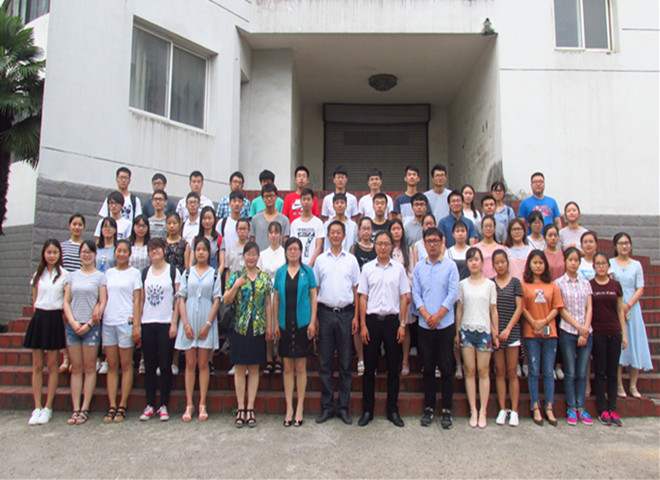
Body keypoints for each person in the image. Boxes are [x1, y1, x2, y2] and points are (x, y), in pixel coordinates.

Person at [358, 231, 410, 427]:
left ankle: (392, 410)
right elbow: (363, 297)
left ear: (391, 247)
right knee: (369, 369)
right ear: (374, 245)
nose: (382, 247)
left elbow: (404, 297)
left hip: (392, 322)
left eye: (386, 244)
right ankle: (367, 410)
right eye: (379, 243)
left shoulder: (398, 269)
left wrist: (402, 324)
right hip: (372, 322)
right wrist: (363, 325)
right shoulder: (367, 268)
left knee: (393, 369)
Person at [412, 228, 460, 429]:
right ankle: (429, 407)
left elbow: (453, 293)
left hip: (445, 325)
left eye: (435, 241)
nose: (432, 244)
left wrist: (439, 315)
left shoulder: (450, 266)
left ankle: (446, 409)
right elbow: (416, 293)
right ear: (423, 243)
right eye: (429, 241)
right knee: (428, 368)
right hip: (425, 325)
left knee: (447, 368)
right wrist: (425, 314)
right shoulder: (419, 267)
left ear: (442, 243)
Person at [313, 221, 360, 425]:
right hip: (325, 313)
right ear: (328, 235)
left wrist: (356, 317)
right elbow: (314, 290)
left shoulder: (351, 260)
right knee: (324, 362)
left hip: (346, 315)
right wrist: (315, 318)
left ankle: (343, 407)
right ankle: (327, 407)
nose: (335, 236)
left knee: (345, 363)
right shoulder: (320, 260)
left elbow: (357, 289)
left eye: (338, 232)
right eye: (332, 232)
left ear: (344, 235)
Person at [223, 242, 273, 428]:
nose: (251, 257)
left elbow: (267, 303)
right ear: (243, 257)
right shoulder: (236, 276)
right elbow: (226, 300)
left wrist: (269, 327)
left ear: (258, 257)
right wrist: (236, 286)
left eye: (254, 254)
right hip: (240, 327)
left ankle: (250, 407)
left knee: (254, 368)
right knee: (240, 368)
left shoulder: (264, 278)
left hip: (258, 327)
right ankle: (240, 407)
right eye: (248, 254)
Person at [174, 238, 222, 422]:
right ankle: (189, 404)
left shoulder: (214, 274)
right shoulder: (187, 273)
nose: (201, 252)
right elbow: (181, 298)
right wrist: (185, 324)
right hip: (189, 320)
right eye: (198, 249)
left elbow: (216, 300)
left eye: (204, 249)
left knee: (203, 364)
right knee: (190, 363)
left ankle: (202, 403)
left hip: (206, 320)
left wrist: (208, 324)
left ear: (209, 253)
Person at [24, 239, 70, 425]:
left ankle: (48, 407)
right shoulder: (38, 274)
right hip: (39, 319)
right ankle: (37, 407)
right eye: (49, 252)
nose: (52, 256)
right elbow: (35, 300)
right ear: (44, 254)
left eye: (55, 252)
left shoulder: (65, 275)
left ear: (59, 254)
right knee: (37, 365)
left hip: (54, 319)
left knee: (52, 365)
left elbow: (66, 300)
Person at [273, 238, 318, 426]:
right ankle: (289, 408)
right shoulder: (280, 272)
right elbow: (276, 299)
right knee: (287, 368)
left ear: (301, 252)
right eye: (290, 249)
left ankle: (299, 407)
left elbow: (313, 297)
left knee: (300, 368)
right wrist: (275, 323)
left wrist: (312, 322)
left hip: (303, 324)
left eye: (296, 249)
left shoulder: (307, 272)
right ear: (285, 252)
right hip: (285, 324)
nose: (293, 252)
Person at [62, 240, 106, 425]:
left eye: (90, 252)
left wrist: (89, 324)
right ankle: (76, 408)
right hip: (73, 326)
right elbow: (66, 301)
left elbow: (102, 301)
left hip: (91, 328)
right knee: (76, 368)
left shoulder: (100, 277)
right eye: (84, 252)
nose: (86, 255)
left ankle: (85, 408)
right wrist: (72, 322)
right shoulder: (72, 276)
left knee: (89, 368)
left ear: (95, 255)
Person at [455, 247, 499, 428]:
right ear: (467, 263)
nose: (474, 263)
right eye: (470, 260)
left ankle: (483, 411)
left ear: (482, 262)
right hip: (466, 330)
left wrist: (495, 332)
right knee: (470, 371)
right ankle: (473, 409)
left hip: (484, 331)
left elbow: (493, 310)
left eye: (476, 259)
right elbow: (459, 309)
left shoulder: (490, 285)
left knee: (483, 371)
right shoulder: (462, 284)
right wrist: (457, 331)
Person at [139, 239, 181, 422]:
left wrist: (174, 323)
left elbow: (178, 299)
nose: (154, 252)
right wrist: (138, 323)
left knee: (165, 365)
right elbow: (141, 299)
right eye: (151, 249)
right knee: (149, 366)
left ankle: (163, 404)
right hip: (147, 322)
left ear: (164, 250)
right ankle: (150, 404)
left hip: (165, 322)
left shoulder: (173, 272)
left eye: (157, 248)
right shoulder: (145, 273)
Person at [521, 250, 564, 426]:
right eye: (535, 263)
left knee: (548, 371)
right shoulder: (524, 285)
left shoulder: (552, 285)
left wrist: (544, 321)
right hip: (531, 333)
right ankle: (535, 405)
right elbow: (522, 307)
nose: (538, 266)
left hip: (549, 332)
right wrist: (533, 322)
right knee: (533, 369)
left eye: (541, 263)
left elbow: (557, 307)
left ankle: (549, 406)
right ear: (529, 265)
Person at [102, 239, 142, 423]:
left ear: (129, 254)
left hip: (126, 322)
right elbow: (103, 297)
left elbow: (137, 300)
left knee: (126, 365)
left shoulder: (135, 274)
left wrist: (136, 325)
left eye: (125, 251)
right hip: (108, 322)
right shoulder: (108, 273)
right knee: (112, 365)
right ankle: (112, 405)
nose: (121, 254)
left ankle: (123, 404)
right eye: (118, 251)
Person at [610, 233, 653, 397]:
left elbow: (640, 288)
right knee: (619, 344)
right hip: (615, 306)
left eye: (627, 243)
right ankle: (619, 385)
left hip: (632, 308)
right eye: (621, 243)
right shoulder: (610, 263)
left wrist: (628, 305)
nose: (624, 246)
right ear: (615, 246)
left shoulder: (636, 265)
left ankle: (633, 385)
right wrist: (620, 305)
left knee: (635, 343)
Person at [555, 247, 593, 426]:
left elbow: (589, 308)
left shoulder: (586, 283)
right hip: (568, 331)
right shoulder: (559, 283)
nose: (573, 263)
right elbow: (561, 309)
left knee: (582, 372)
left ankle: (581, 408)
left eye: (576, 260)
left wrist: (585, 329)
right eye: (570, 260)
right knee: (570, 372)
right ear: (565, 262)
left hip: (586, 332)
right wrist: (578, 327)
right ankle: (571, 407)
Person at [591, 252, 628, 426]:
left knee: (613, 373)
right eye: (598, 264)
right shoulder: (590, 285)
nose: (601, 266)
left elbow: (620, 310)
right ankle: (602, 410)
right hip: (598, 333)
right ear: (593, 267)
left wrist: (624, 334)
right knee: (600, 372)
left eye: (604, 263)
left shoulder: (616, 285)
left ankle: (612, 408)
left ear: (608, 266)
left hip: (615, 332)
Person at [492, 249, 523, 427]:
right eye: (497, 263)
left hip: (512, 333)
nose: (500, 265)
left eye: (503, 262)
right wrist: (496, 331)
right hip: (496, 333)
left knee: (512, 372)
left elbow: (519, 308)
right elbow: (490, 308)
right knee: (500, 371)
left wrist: (508, 329)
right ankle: (502, 409)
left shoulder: (515, 283)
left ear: (507, 263)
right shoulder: (490, 283)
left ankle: (515, 410)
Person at [257, 221, 286, 376]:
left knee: (279, 324)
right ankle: (269, 359)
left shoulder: (285, 253)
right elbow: (260, 274)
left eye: (276, 232)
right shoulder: (262, 254)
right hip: (267, 293)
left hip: (281, 293)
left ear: (281, 234)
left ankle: (279, 358)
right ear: (268, 234)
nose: (274, 235)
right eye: (271, 232)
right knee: (268, 324)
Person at [349, 217, 376, 375]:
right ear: (358, 231)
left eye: (369, 228)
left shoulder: (376, 248)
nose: (366, 231)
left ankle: (372, 359)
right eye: (363, 228)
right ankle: (360, 358)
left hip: (374, 291)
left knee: (371, 324)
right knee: (358, 324)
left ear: (372, 231)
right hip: (358, 290)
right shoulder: (354, 248)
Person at [59, 213, 85, 373]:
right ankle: (66, 357)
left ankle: (78, 358)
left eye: (80, 224)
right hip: (65, 290)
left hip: (81, 291)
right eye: (74, 224)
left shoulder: (86, 247)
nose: (77, 227)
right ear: (69, 226)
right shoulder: (62, 247)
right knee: (64, 322)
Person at [389, 219, 415, 376]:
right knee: (392, 326)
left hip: (404, 293)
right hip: (389, 293)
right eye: (393, 229)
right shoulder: (387, 248)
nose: (396, 231)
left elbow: (411, 271)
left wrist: (409, 290)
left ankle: (405, 360)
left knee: (405, 326)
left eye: (398, 228)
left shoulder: (408, 249)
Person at [250, 183, 290, 251]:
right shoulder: (255, 219)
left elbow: (285, 242)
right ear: (262, 198)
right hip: (260, 256)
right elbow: (252, 240)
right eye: (266, 196)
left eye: (271, 196)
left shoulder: (284, 220)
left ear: (276, 197)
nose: (269, 199)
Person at [290, 188, 325, 267]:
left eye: (308, 199)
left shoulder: (318, 223)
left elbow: (319, 247)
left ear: (312, 201)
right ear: (300, 201)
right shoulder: (295, 224)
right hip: (298, 265)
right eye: (304, 199)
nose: (306, 202)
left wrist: (310, 265)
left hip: (314, 265)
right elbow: (293, 245)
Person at [223, 217, 251, 282]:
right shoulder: (231, 248)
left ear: (249, 230)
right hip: (233, 283)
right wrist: (227, 285)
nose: (242, 231)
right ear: (236, 230)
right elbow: (227, 270)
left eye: (244, 229)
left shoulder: (252, 248)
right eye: (240, 229)